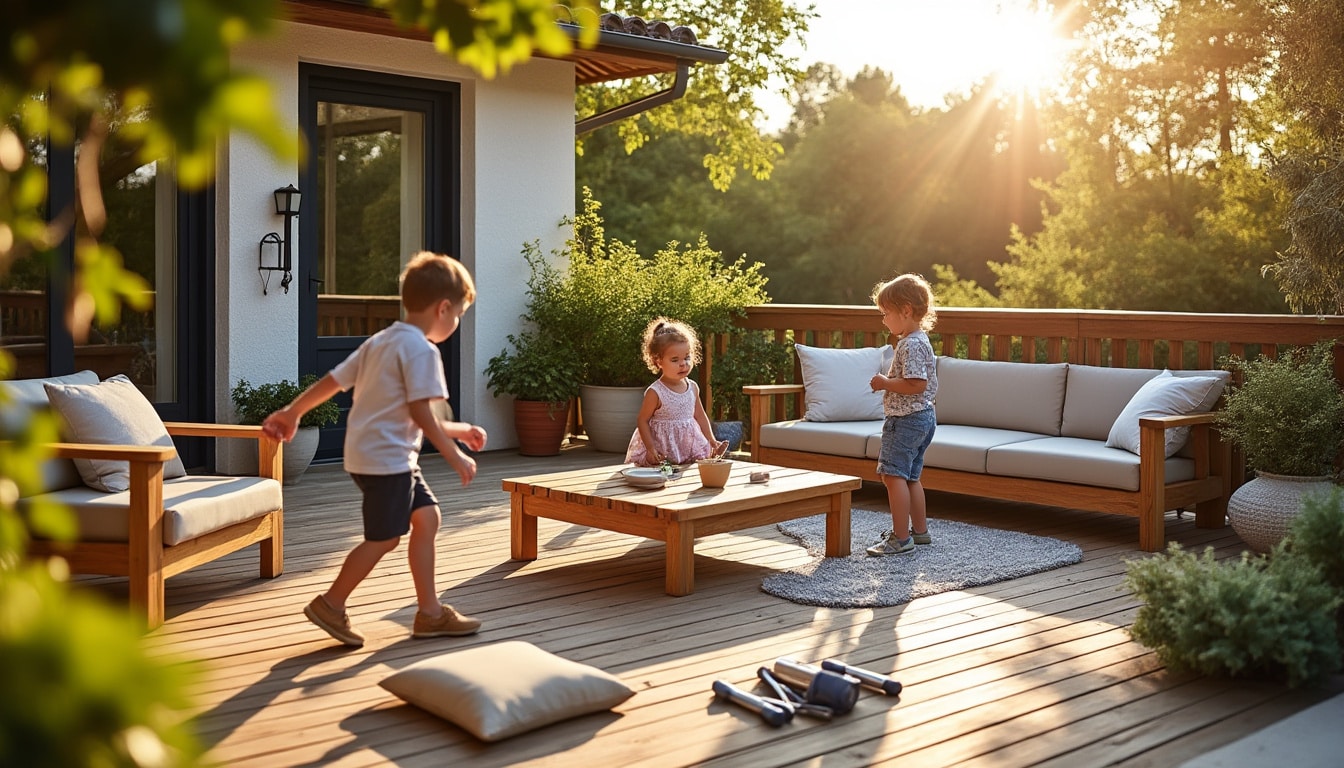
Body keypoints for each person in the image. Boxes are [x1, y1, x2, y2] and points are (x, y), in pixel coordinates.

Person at [261, 251, 488, 647]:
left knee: (427, 519)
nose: (456, 324)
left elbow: (335, 381)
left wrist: (292, 411)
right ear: (443, 308)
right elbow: (420, 412)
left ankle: (430, 612)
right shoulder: (422, 351)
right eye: (458, 316)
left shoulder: (381, 342)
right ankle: (331, 604)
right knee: (384, 539)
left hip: (375, 456)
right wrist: (454, 454)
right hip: (388, 460)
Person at [865, 274, 939, 556]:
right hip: (923, 417)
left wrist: (885, 382)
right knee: (910, 477)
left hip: (906, 420)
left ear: (905, 310)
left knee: (893, 475)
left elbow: (915, 384)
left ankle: (901, 538)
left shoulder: (911, 344)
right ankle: (919, 532)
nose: (884, 320)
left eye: (886, 313)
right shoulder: (919, 340)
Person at [624, 317, 728, 467]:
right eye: (675, 360)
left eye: (687, 357)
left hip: (689, 448)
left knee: (697, 467)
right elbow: (642, 420)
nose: (683, 364)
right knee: (660, 467)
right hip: (662, 450)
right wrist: (650, 448)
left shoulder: (692, 387)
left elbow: (700, 416)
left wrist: (712, 440)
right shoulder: (656, 392)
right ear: (658, 361)